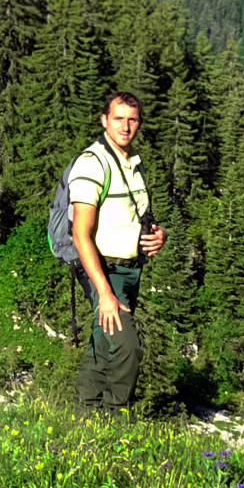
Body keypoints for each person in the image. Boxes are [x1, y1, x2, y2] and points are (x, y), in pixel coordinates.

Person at [68, 91, 167, 414]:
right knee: (127, 349)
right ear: (104, 121)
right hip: (103, 272)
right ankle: (113, 423)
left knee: (102, 346)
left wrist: (157, 235)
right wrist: (105, 293)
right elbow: (81, 235)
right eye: (118, 118)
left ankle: (83, 421)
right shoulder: (92, 163)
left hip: (129, 271)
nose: (125, 126)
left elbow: (135, 215)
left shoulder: (129, 162)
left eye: (132, 119)